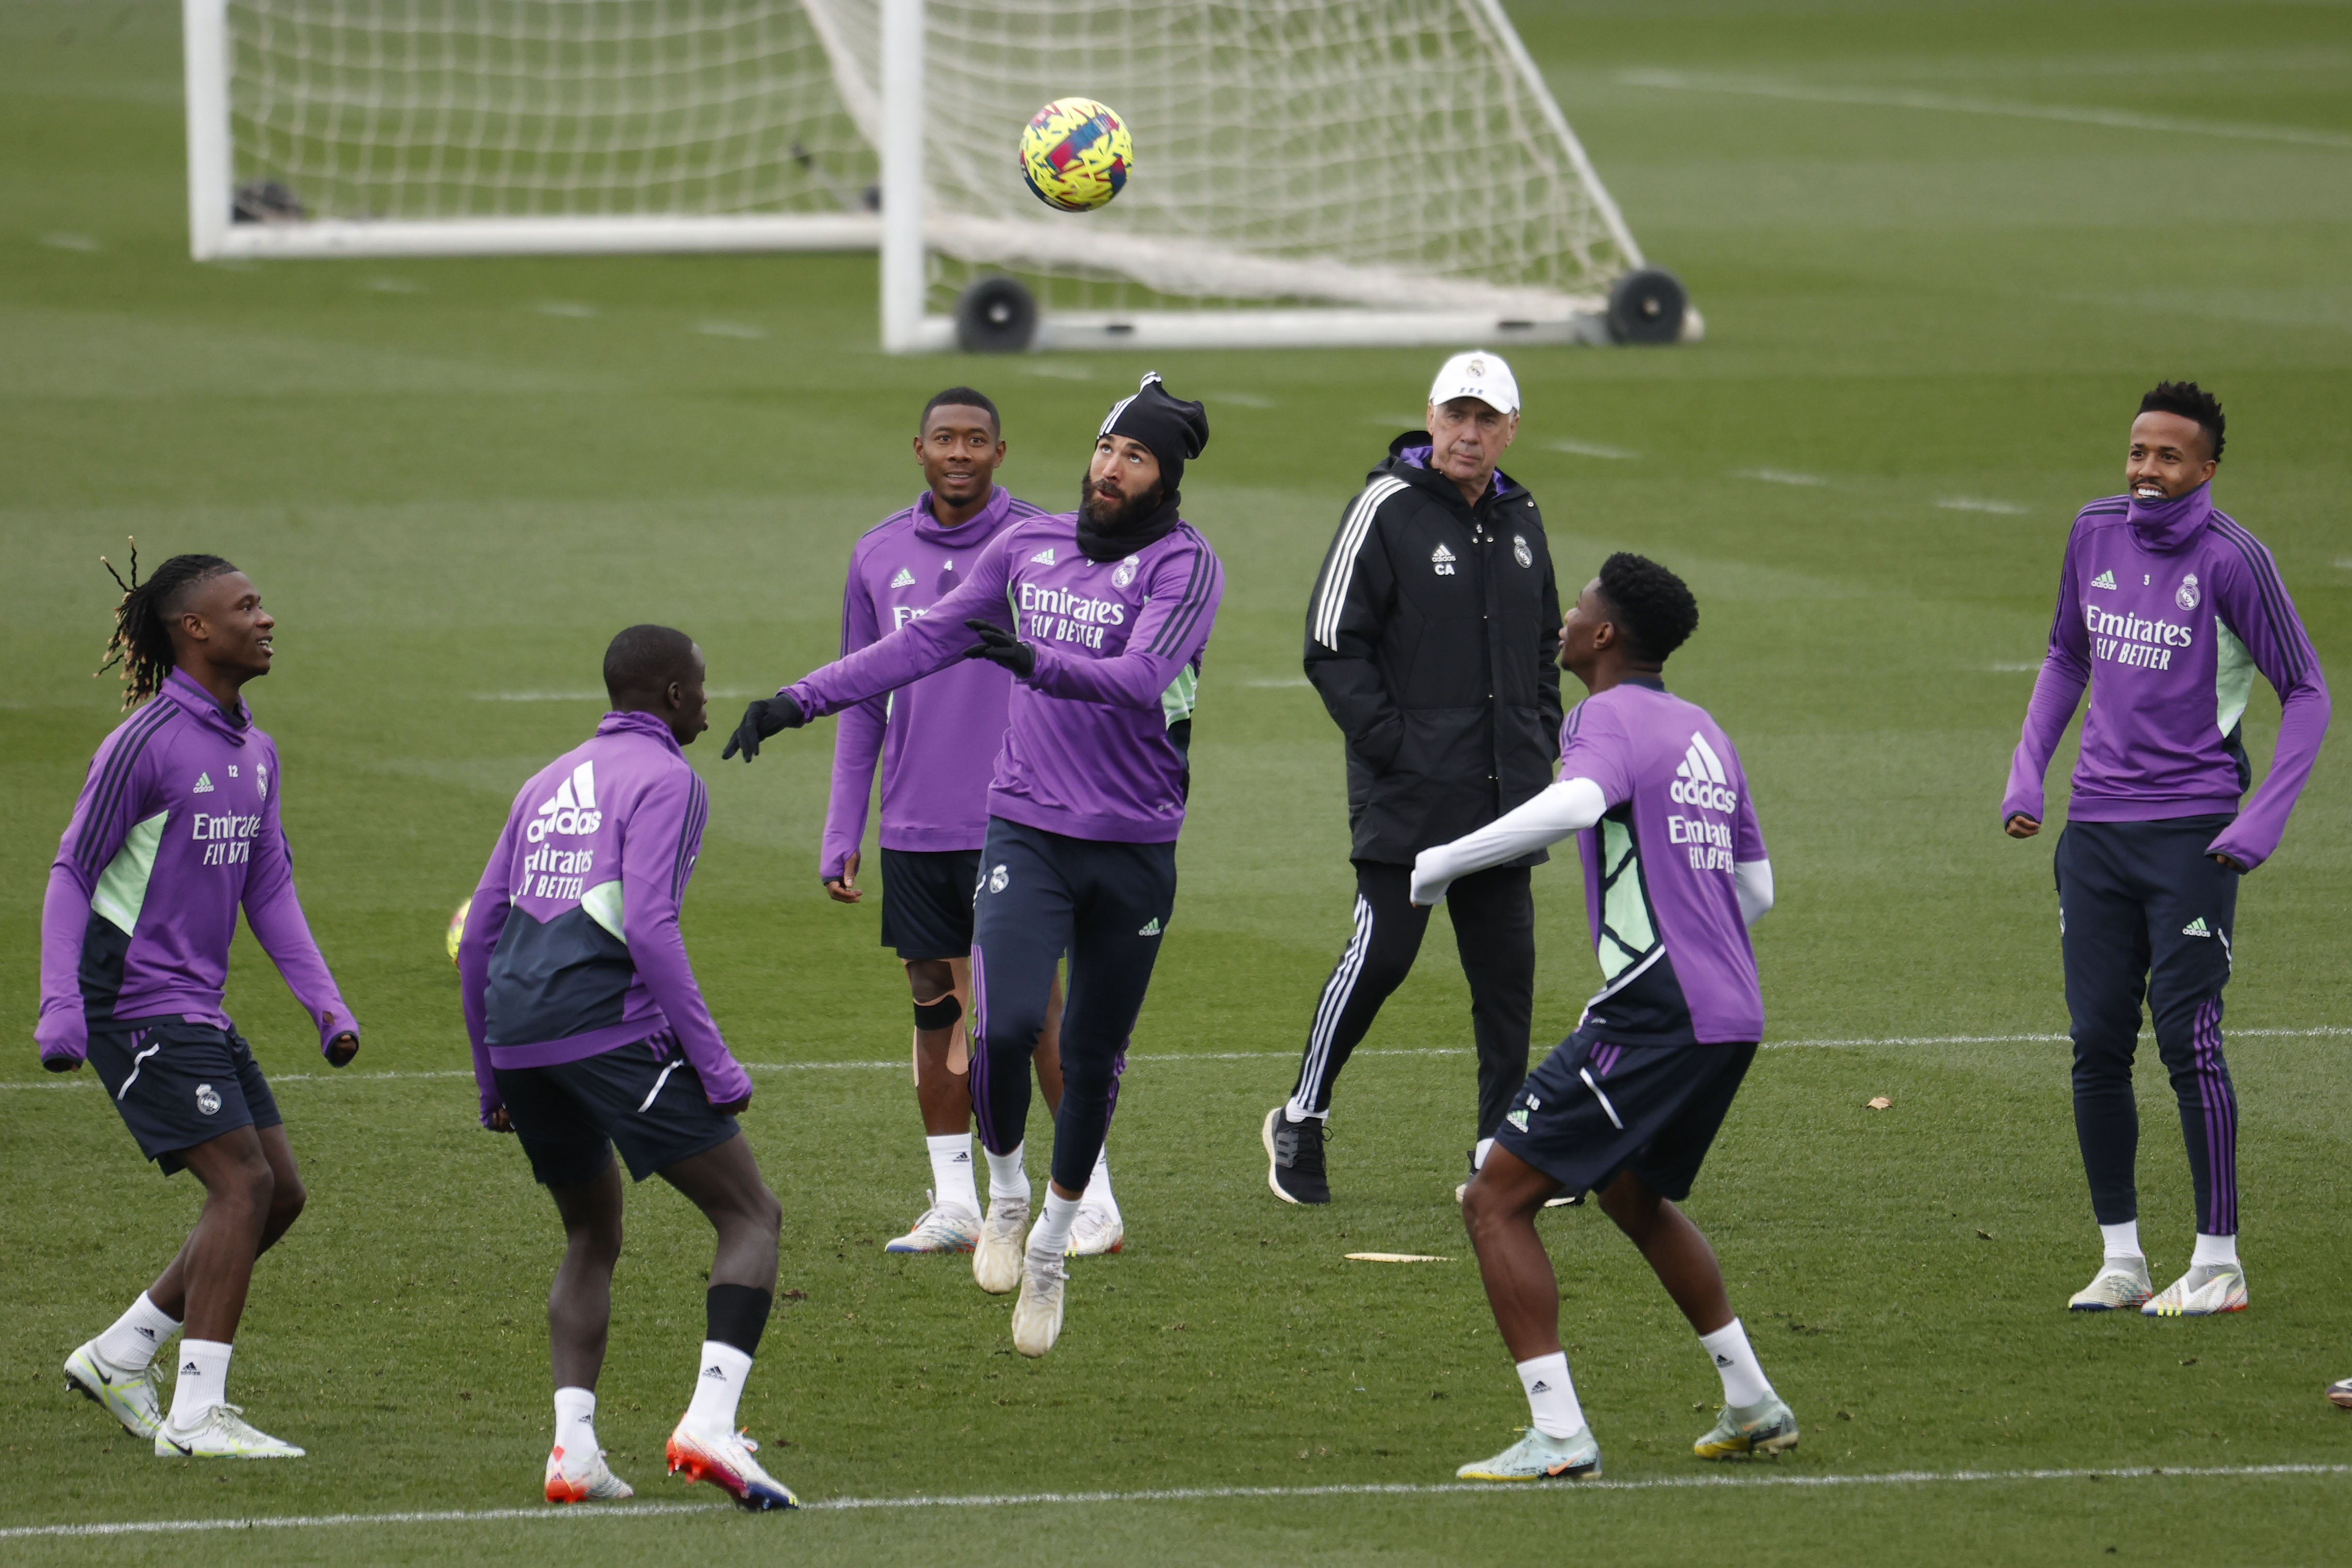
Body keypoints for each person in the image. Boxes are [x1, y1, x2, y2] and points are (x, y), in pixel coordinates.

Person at [727, 372, 1219, 1358]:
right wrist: (798, 700)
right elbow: (924, 644)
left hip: (1132, 843)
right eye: (1105, 449)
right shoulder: (1028, 547)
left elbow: (1138, 683)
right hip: (1026, 825)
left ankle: (1052, 1244)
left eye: (1134, 457)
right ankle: (1000, 1198)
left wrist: (1032, 660)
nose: (1110, 468)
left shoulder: (1185, 565)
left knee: (1092, 1058)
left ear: (1164, 478)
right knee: (1002, 1027)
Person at [1425, 553, 1792, 1481]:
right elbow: (1757, 887)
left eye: (1579, 606)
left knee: (1495, 1199)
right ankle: (1753, 1404)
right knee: (1633, 1194)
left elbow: (1577, 802)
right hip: (1730, 1006)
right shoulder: (1703, 728)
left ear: (1605, 635)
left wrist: (1443, 863)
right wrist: (1691, 942)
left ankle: (1558, 1436)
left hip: (1659, 1008)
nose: (1566, 618)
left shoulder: (1605, 715)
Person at [2002, 382, 2329, 1317]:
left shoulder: (2234, 561)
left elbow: (2306, 692)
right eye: (2139, 452)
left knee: (2189, 1041)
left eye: (2169, 457)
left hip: (2193, 836)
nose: (2147, 471)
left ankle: (2219, 1262)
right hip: (2095, 833)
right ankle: (2121, 1259)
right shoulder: (2094, 529)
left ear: (2208, 469)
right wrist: (2028, 769)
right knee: (2097, 1043)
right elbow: (2068, 654)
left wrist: (2261, 815)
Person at [459, 625, 794, 1511]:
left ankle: (573, 1452)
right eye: (703, 684)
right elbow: (650, 926)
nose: (712, 699)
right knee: (750, 1214)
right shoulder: (670, 780)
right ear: (674, 697)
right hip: (603, 1029)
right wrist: (714, 1065)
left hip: (520, 1037)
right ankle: (711, 1425)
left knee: (591, 1230)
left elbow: (478, 938)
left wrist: (492, 1077)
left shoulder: (541, 783)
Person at [39, 549, 360, 1461]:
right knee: (242, 1184)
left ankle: (121, 1353)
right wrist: (60, 1006)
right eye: (246, 606)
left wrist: (326, 1006)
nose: (266, 620)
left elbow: (270, 889)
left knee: (281, 1195)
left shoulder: (253, 751)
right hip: (130, 1000)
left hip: (193, 1002)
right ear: (196, 630)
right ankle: (196, 1416)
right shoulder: (141, 744)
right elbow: (72, 873)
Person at [822, 387, 1123, 1260]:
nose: (960, 453)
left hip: (1022, 819)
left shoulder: (1044, 546)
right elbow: (859, 698)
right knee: (933, 1004)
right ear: (918, 449)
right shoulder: (877, 555)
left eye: (977, 440)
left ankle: (1092, 1197)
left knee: (1031, 1014)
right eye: (945, 439)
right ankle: (955, 1201)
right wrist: (845, 824)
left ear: (1001, 451)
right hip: (914, 824)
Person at [1268, 349, 1562, 1204]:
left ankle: (1498, 1151)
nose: (1469, 434)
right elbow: (1331, 644)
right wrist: (1393, 745)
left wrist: (1537, 738)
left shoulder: (1522, 515)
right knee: (1382, 958)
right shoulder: (1386, 508)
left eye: (1486, 420)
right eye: (1456, 416)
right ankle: (1303, 1115)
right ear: (1431, 418)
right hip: (1408, 790)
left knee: (1506, 980)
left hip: (1506, 793)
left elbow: (1543, 643)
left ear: (1510, 430)